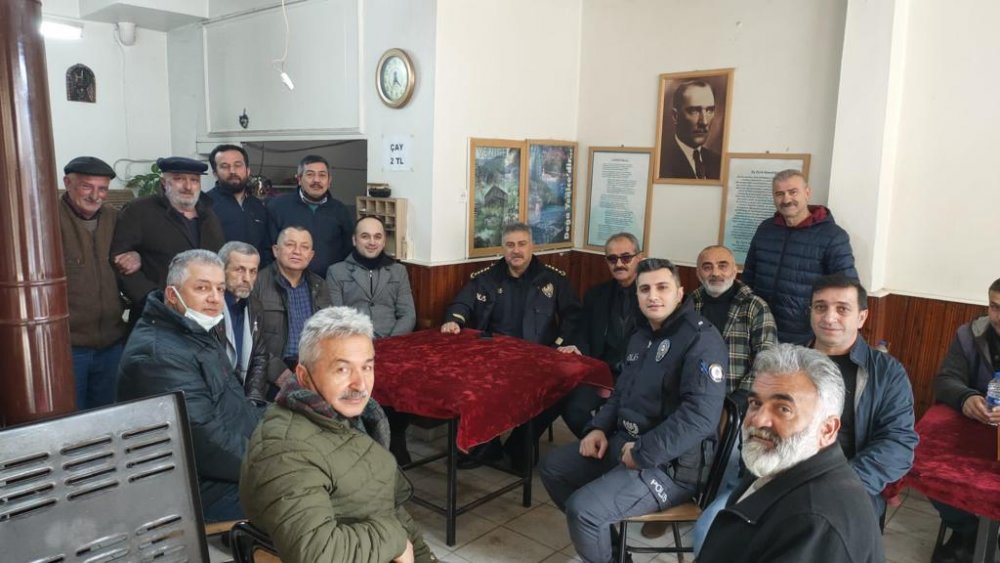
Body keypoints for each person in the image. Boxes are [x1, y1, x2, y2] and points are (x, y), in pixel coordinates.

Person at [540, 258, 727, 563]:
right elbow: (621, 391)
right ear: (637, 295)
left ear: (680, 293)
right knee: (553, 468)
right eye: (645, 289)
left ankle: (600, 547)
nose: (653, 296)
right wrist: (598, 427)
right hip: (624, 442)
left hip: (672, 465)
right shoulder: (641, 334)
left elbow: (700, 417)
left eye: (662, 287)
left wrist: (643, 452)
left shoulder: (701, 339)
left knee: (583, 511)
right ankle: (612, 554)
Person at [240, 307, 436, 563]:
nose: (360, 384)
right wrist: (396, 540)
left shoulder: (353, 421)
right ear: (304, 376)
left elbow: (387, 507)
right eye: (342, 369)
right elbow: (316, 553)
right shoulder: (285, 448)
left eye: (367, 367)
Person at [698, 344, 884, 563]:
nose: (758, 419)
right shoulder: (779, 462)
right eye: (755, 403)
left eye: (783, 409)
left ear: (827, 429)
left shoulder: (816, 525)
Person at [117, 250, 263, 522]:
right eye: (202, 288)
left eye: (220, 289)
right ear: (172, 295)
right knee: (305, 498)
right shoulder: (159, 354)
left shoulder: (191, 331)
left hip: (226, 468)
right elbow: (205, 442)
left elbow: (234, 405)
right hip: (196, 489)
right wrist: (270, 463)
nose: (215, 298)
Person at [441, 222, 582, 470]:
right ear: (502, 248)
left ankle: (520, 443)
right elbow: (462, 304)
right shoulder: (487, 278)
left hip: (539, 355)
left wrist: (560, 344)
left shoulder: (552, 279)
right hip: (494, 355)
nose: (516, 250)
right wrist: (454, 320)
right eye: (510, 245)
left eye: (521, 244)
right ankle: (486, 443)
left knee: (561, 387)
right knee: (469, 380)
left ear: (532, 246)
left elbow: (574, 316)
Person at [682, 244, 778, 547]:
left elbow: (767, 361)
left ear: (735, 269)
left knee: (728, 460)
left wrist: (736, 402)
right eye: (707, 266)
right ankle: (679, 502)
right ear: (698, 272)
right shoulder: (689, 304)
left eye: (722, 265)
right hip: (693, 397)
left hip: (738, 402)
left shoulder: (755, 307)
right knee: (680, 448)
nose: (715, 272)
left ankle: (716, 515)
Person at [327, 215, 416, 464]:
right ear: (354, 240)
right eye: (365, 236)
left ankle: (396, 438)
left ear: (384, 240)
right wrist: (364, 344)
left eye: (377, 236)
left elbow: (408, 313)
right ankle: (364, 444)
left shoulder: (398, 271)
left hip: (393, 346)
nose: (372, 242)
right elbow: (337, 315)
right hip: (354, 348)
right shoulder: (336, 271)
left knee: (405, 388)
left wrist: (390, 343)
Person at [59, 156, 141, 409]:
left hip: (111, 344)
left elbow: (135, 249)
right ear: (67, 183)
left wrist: (136, 256)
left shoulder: (115, 218)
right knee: (71, 418)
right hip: (68, 347)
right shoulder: (46, 220)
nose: (96, 196)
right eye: (87, 187)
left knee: (108, 417)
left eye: (103, 189)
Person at [741, 169, 858, 344]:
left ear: (807, 193)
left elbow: (847, 288)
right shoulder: (765, 229)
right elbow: (749, 276)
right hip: (760, 326)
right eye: (779, 194)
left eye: (793, 192)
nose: (786, 199)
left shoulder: (833, 236)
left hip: (805, 335)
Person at [930, 277, 1000, 562]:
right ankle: (966, 531)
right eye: (995, 307)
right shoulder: (969, 335)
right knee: (928, 469)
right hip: (973, 428)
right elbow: (946, 379)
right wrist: (966, 397)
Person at [110, 156, 225, 322]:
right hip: (155, 316)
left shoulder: (209, 216)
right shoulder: (139, 211)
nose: (188, 186)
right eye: (179, 179)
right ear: (164, 183)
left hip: (202, 314)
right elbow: (120, 261)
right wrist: (154, 300)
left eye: (194, 180)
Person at [557, 232, 644, 438]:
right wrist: (576, 347)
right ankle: (600, 445)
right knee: (572, 408)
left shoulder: (652, 295)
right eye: (612, 259)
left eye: (626, 258)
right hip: (602, 371)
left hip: (638, 375)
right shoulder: (596, 294)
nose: (619, 264)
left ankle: (616, 446)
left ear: (639, 258)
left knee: (631, 417)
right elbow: (583, 332)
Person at [250, 226, 332, 395]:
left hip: (313, 369)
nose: (297, 251)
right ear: (276, 250)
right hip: (272, 374)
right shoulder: (257, 283)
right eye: (290, 245)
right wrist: (280, 374)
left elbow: (330, 333)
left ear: (311, 255)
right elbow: (250, 339)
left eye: (304, 247)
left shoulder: (319, 285)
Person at [266, 154, 353, 276]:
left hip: (329, 282)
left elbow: (349, 251)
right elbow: (267, 249)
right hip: (285, 281)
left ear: (329, 181)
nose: (316, 180)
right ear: (299, 179)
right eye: (310, 174)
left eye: (322, 175)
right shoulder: (278, 206)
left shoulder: (340, 211)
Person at [206, 144, 271, 263]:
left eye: (238, 165)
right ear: (215, 173)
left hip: (255, 273)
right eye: (224, 166)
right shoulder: (205, 204)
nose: (232, 171)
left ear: (248, 170)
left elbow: (266, 248)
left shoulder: (258, 207)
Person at [219, 241, 260, 395]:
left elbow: (259, 358)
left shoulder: (256, 306)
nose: (247, 278)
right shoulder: (210, 306)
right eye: (239, 270)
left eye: (253, 271)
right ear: (221, 270)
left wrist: (253, 398)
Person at [658, 80, 722, 180]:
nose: (704, 122)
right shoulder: (661, 161)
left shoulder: (717, 162)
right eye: (694, 111)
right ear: (675, 116)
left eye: (709, 110)